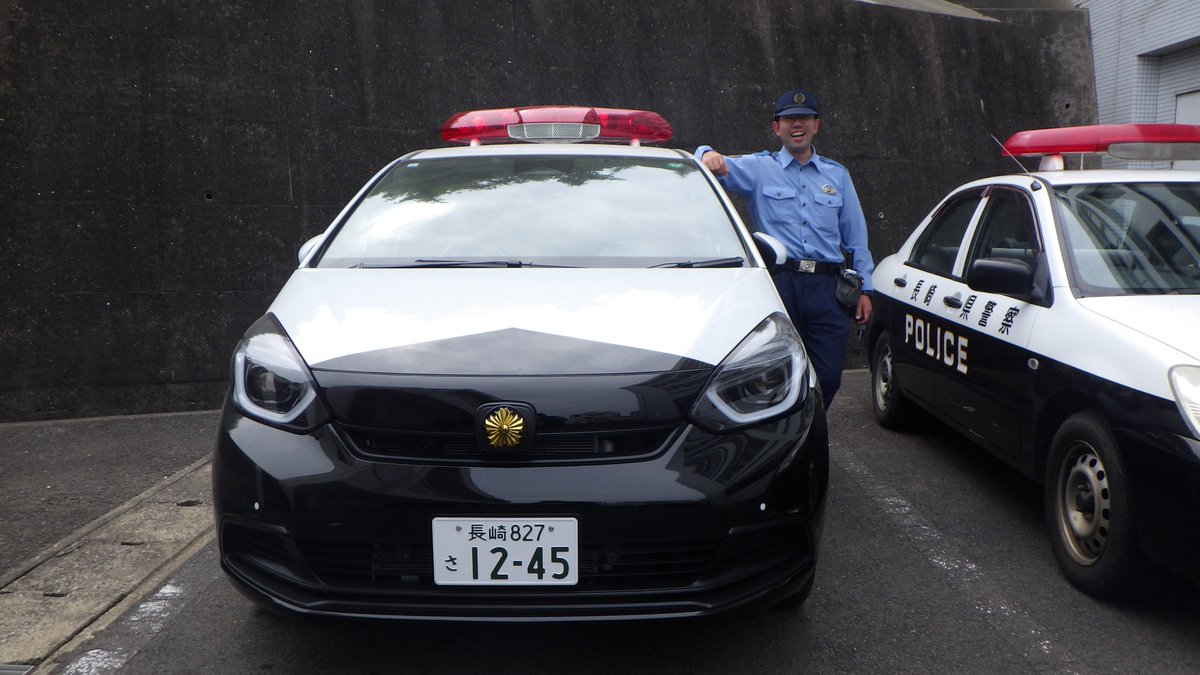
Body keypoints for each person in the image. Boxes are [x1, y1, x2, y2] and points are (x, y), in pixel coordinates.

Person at [696, 88, 874, 408]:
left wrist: (866, 290)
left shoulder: (838, 175)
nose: (797, 125)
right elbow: (708, 165)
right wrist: (706, 151)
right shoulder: (758, 168)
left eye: (804, 118)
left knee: (829, 376)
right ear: (776, 127)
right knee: (774, 373)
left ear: (816, 125)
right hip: (779, 284)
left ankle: (809, 429)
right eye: (789, 119)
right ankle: (785, 438)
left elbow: (856, 239)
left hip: (827, 288)